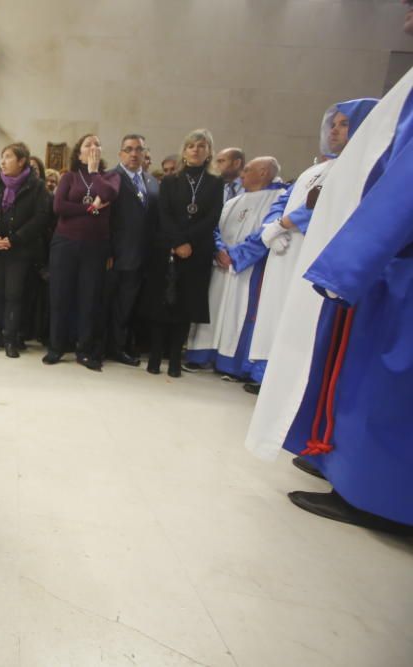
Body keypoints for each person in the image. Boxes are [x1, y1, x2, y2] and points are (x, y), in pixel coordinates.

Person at [246, 10, 413, 532]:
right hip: (374, 270)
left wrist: (347, 266)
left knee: (380, 388)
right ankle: (335, 460)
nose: (405, 23)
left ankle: (374, 495)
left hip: (389, 272)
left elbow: (399, 187)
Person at [243, 98, 378, 392]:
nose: (334, 130)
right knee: (276, 315)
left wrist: (283, 225)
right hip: (285, 255)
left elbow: (320, 207)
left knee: (301, 319)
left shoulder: (359, 170)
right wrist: (273, 227)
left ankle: (291, 383)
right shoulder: (317, 169)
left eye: (344, 124)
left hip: (310, 255)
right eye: (334, 123)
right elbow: (284, 199)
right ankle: (269, 375)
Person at [185, 157, 285, 379]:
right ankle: (204, 355)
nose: (242, 174)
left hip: (249, 269)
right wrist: (219, 250)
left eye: (248, 170)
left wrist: (238, 256)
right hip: (222, 265)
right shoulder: (233, 201)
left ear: (263, 173)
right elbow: (215, 227)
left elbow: (268, 231)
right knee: (215, 307)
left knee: (239, 314)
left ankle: (232, 364)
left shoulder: (279, 199)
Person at [140, 129, 223, 377]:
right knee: (162, 302)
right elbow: (164, 215)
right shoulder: (172, 180)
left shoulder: (216, 183)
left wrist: (189, 242)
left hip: (197, 250)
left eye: (201, 146)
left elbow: (212, 217)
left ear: (209, 151)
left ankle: (176, 358)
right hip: (168, 249)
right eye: (191, 146)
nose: (195, 150)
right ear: (184, 151)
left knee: (185, 305)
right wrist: (178, 242)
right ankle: (155, 356)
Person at [44, 133, 120, 369]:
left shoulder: (110, 177)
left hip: (96, 245)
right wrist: (90, 209)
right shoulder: (69, 176)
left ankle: (84, 349)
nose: (93, 147)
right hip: (65, 242)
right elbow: (59, 207)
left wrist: (95, 171)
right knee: (60, 295)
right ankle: (56, 347)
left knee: (89, 297)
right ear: (79, 153)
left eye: (97, 144)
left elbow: (108, 194)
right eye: (88, 145)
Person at [0, 142, 51, 357]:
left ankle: (10, 339)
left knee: (13, 295)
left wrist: (15, 239)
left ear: (21, 161)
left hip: (19, 251)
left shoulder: (36, 187)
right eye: (3, 156)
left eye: (8, 157)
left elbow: (41, 218)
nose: (3, 161)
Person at [104, 133, 159, 366]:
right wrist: (107, 252)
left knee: (130, 305)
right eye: (129, 149)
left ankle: (125, 344)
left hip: (143, 256)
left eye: (139, 149)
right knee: (114, 304)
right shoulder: (110, 179)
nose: (134, 154)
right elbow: (104, 220)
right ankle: (111, 347)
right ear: (120, 153)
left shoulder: (152, 182)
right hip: (117, 255)